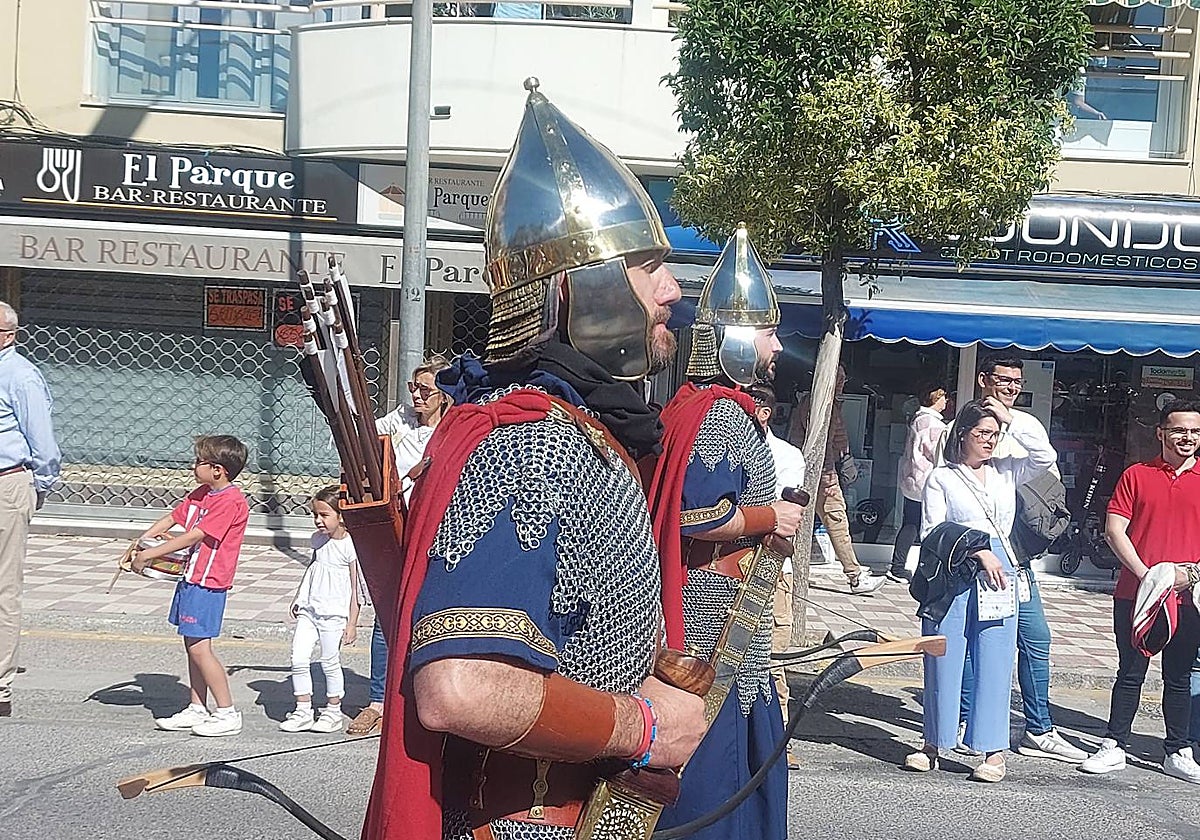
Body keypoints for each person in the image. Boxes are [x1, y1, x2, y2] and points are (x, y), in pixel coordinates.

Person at [360, 78, 707, 840]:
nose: (673, 291)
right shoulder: (537, 446)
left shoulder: (579, 434)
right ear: (585, 289)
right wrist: (640, 727)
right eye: (649, 267)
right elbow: (462, 687)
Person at [654, 225, 806, 840]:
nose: (775, 345)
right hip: (709, 622)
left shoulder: (701, 407)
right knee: (712, 789)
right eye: (766, 331)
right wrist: (773, 517)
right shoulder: (718, 414)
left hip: (725, 613)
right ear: (737, 339)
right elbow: (695, 518)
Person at [906, 398, 1055, 782]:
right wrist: (977, 549)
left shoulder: (1007, 471)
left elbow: (1044, 455)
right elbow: (931, 532)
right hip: (954, 571)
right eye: (982, 433)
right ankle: (933, 743)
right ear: (962, 435)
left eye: (995, 434)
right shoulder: (942, 477)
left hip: (1000, 574)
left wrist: (1011, 418)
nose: (990, 441)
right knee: (943, 652)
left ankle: (993, 751)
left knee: (995, 657)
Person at [953, 355, 1086, 763]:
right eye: (1003, 379)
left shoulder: (1024, 425)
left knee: (1035, 638)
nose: (1010, 387)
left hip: (1016, 556)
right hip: (972, 554)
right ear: (982, 379)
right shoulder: (960, 423)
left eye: (1016, 381)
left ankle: (1039, 728)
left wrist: (1008, 420)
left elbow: (1045, 459)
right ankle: (964, 720)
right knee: (972, 640)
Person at [1080, 399, 1200, 783]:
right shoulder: (1136, 474)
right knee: (1130, 673)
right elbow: (1116, 529)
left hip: (1189, 596)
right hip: (1137, 593)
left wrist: (1188, 575)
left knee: (1178, 677)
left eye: (1194, 431)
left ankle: (1177, 751)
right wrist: (1148, 576)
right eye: (1179, 430)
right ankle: (1114, 744)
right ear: (1161, 433)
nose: (1187, 437)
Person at [347, 355, 452, 738]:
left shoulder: (452, 429)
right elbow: (363, 441)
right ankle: (378, 701)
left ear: (444, 393)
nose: (418, 395)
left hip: (433, 529)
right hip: (394, 524)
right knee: (385, 615)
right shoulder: (402, 418)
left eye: (426, 389)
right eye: (414, 387)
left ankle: (420, 694)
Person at [141, 435, 250, 737]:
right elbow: (174, 518)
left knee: (201, 649)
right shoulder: (202, 493)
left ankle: (227, 712)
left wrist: (151, 553)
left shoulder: (231, 501)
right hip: (191, 576)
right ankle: (197, 707)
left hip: (209, 581)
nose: (193, 466)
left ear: (218, 469)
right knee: (192, 647)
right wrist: (143, 540)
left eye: (198, 462)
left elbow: (195, 535)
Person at [0, 301, 61, 718]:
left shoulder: (20, 376)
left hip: (6, 482)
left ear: (8, 334)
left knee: (4, 588)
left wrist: (38, 488)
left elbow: (43, 442)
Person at [748, 382, 805, 771]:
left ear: (762, 412)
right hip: (724, 567)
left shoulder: (785, 455)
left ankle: (776, 739)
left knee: (772, 657)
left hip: (770, 568)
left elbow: (782, 511)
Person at [789, 367, 885, 595]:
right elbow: (820, 445)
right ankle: (854, 576)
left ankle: (853, 574)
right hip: (818, 474)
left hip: (812, 472)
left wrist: (846, 457)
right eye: (838, 377)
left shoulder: (825, 403)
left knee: (818, 521)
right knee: (835, 519)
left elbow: (837, 438)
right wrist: (830, 476)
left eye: (844, 377)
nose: (842, 382)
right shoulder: (820, 405)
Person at [281, 486, 361, 734]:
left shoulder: (350, 546)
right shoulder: (318, 541)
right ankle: (303, 709)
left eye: (324, 515)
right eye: (315, 514)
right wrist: (299, 596)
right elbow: (313, 568)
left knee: (329, 661)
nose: (318, 520)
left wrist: (352, 622)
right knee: (298, 657)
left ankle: (333, 710)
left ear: (340, 516)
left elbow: (356, 587)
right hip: (310, 609)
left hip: (334, 613)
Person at [889, 383, 948, 583]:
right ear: (935, 400)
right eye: (943, 397)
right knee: (927, 525)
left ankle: (898, 565)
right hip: (926, 481)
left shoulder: (917, 419)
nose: (946, 401)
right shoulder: (934, 425)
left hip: (912, 479)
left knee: (910, 523)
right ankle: (924, 568)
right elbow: (937, 453)